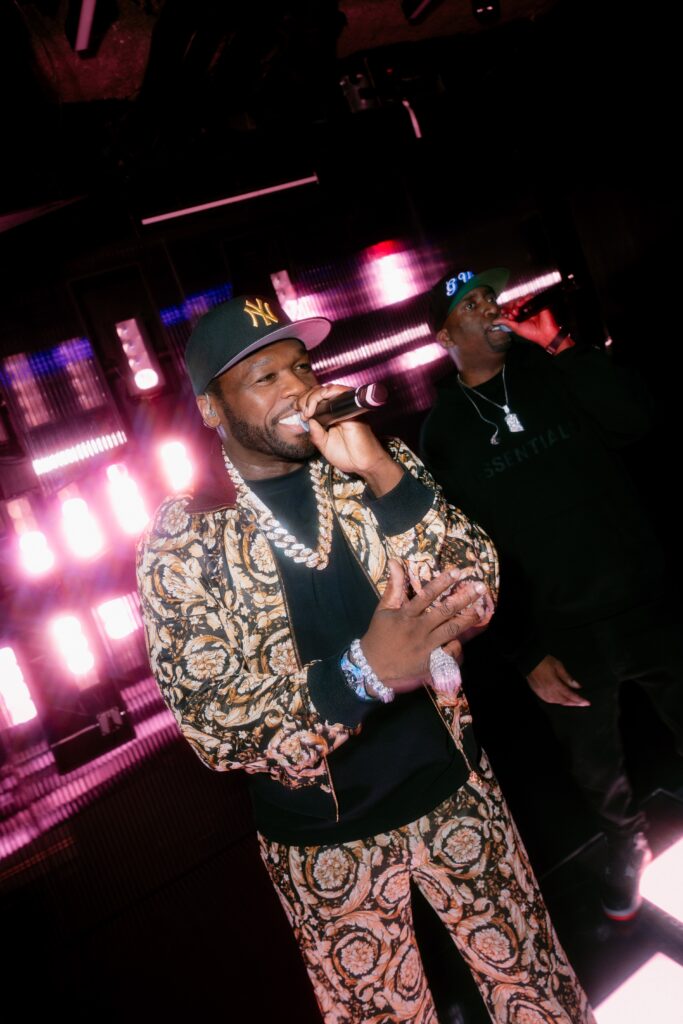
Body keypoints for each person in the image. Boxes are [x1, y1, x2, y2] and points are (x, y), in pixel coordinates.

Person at [137, 294, 595, 1023]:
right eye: (264, 377)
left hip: (456, 791)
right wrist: (362, 674)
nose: (296, 387)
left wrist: (380, 469)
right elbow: (213, 726)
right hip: (323, 848)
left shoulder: (375, 466)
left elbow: (477, 591)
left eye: (300, 366)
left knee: (539, 995)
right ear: (210, 408)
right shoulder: (185, 543)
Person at [420, 267, 683, 922]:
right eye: (470, 304)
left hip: (644, 600)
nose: (489, 307)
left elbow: (636, 421)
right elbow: (465, 556)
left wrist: (562, 345)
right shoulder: (442, 431)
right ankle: (627, 845)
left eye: (490, 297)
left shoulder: (553, 369)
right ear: (444, 335)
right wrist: (524, 652)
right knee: (594, 765)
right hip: (561, 630)